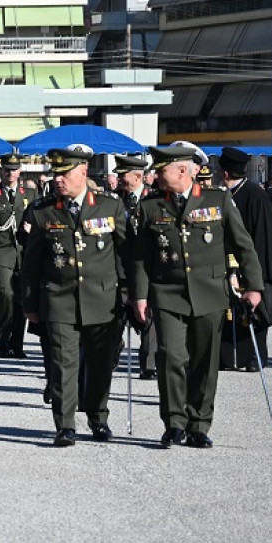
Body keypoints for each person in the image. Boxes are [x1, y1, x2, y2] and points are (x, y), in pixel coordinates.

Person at [128, 144, 263, 449]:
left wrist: (253, 286)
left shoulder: (218, 200)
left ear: (183, 170)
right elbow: (140, 259)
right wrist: (139, 296)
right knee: (170, 357)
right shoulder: (150, 207)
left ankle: (199, 424)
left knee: (205, 361)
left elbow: (243, 246)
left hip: (208, 293)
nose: (156, 176)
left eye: (162, 170)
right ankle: (174, 422)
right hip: (167, 293)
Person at [19, 145, 128, 446]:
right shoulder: (43, 211)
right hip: (59, 299)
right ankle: (65, 424)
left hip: (102, 301)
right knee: (63, 364)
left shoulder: (110, 207)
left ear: (83, 172)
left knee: (99, 364)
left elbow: (126, 254)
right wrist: (29, 304)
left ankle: (98, 417)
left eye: (65, 173)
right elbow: (31, 263)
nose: (58, 179)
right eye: (55, 173)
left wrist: (131, 296)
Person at [216, 148, 272, 370]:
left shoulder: (255, 195)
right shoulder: (227, 195)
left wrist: (253, 272)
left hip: (250, 264)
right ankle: (229, 358)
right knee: (229, 312)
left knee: (254, 311)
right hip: (227, 264)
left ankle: (254, 358)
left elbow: (261, 238)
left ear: (226, 173)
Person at [0, 153, 30, 358]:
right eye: (7, 169)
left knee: (21, 297)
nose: (11, 173)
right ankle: (3, 339)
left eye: (14, 169)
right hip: (0, 249)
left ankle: (17, 343)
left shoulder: (30, 194)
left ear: (20, 171)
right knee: (5, 293)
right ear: (1, 171)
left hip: (23, 251)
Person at [114, 154, 158, 380]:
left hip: (146, 267)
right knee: (115, 315)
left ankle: (149, 363)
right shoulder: (112, 201)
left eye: (123, 174)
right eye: (119, 174)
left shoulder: (154, 200)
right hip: (118, 268)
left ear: (138, 176)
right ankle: (113, 351)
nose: (119, 178)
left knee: (148, 315)